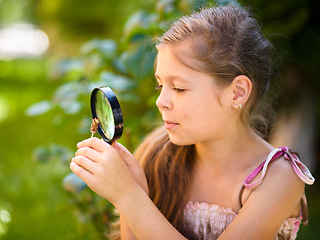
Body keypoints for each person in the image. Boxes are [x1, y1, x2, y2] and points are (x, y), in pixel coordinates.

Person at [70, 4, 315, 240]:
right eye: (160, 85)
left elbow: (130, 200)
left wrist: (128, 197)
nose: (160, 101)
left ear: (237, 92)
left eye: (179, 88)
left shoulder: (279, 177)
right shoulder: (157, 155)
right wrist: (134, 192)